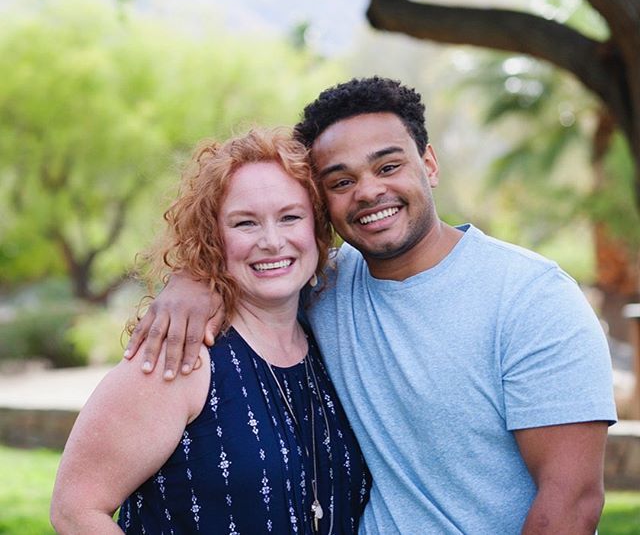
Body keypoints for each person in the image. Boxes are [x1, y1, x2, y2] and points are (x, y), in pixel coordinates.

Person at [125, 77, 617, 534]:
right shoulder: (321, 285)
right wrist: (192, 280)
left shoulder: (532, 298)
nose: (368, 191)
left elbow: (572, 501)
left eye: (388, 166)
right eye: (340, 181)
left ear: (429, 164)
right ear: (323, 202)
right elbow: (253, 259)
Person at [50, 128, 370, 534]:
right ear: (213, 237)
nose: (272, 241)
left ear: (318, 228)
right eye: (245, 223)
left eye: (290, 217)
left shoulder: (328, 339)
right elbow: (76, 510)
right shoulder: (180, 354)